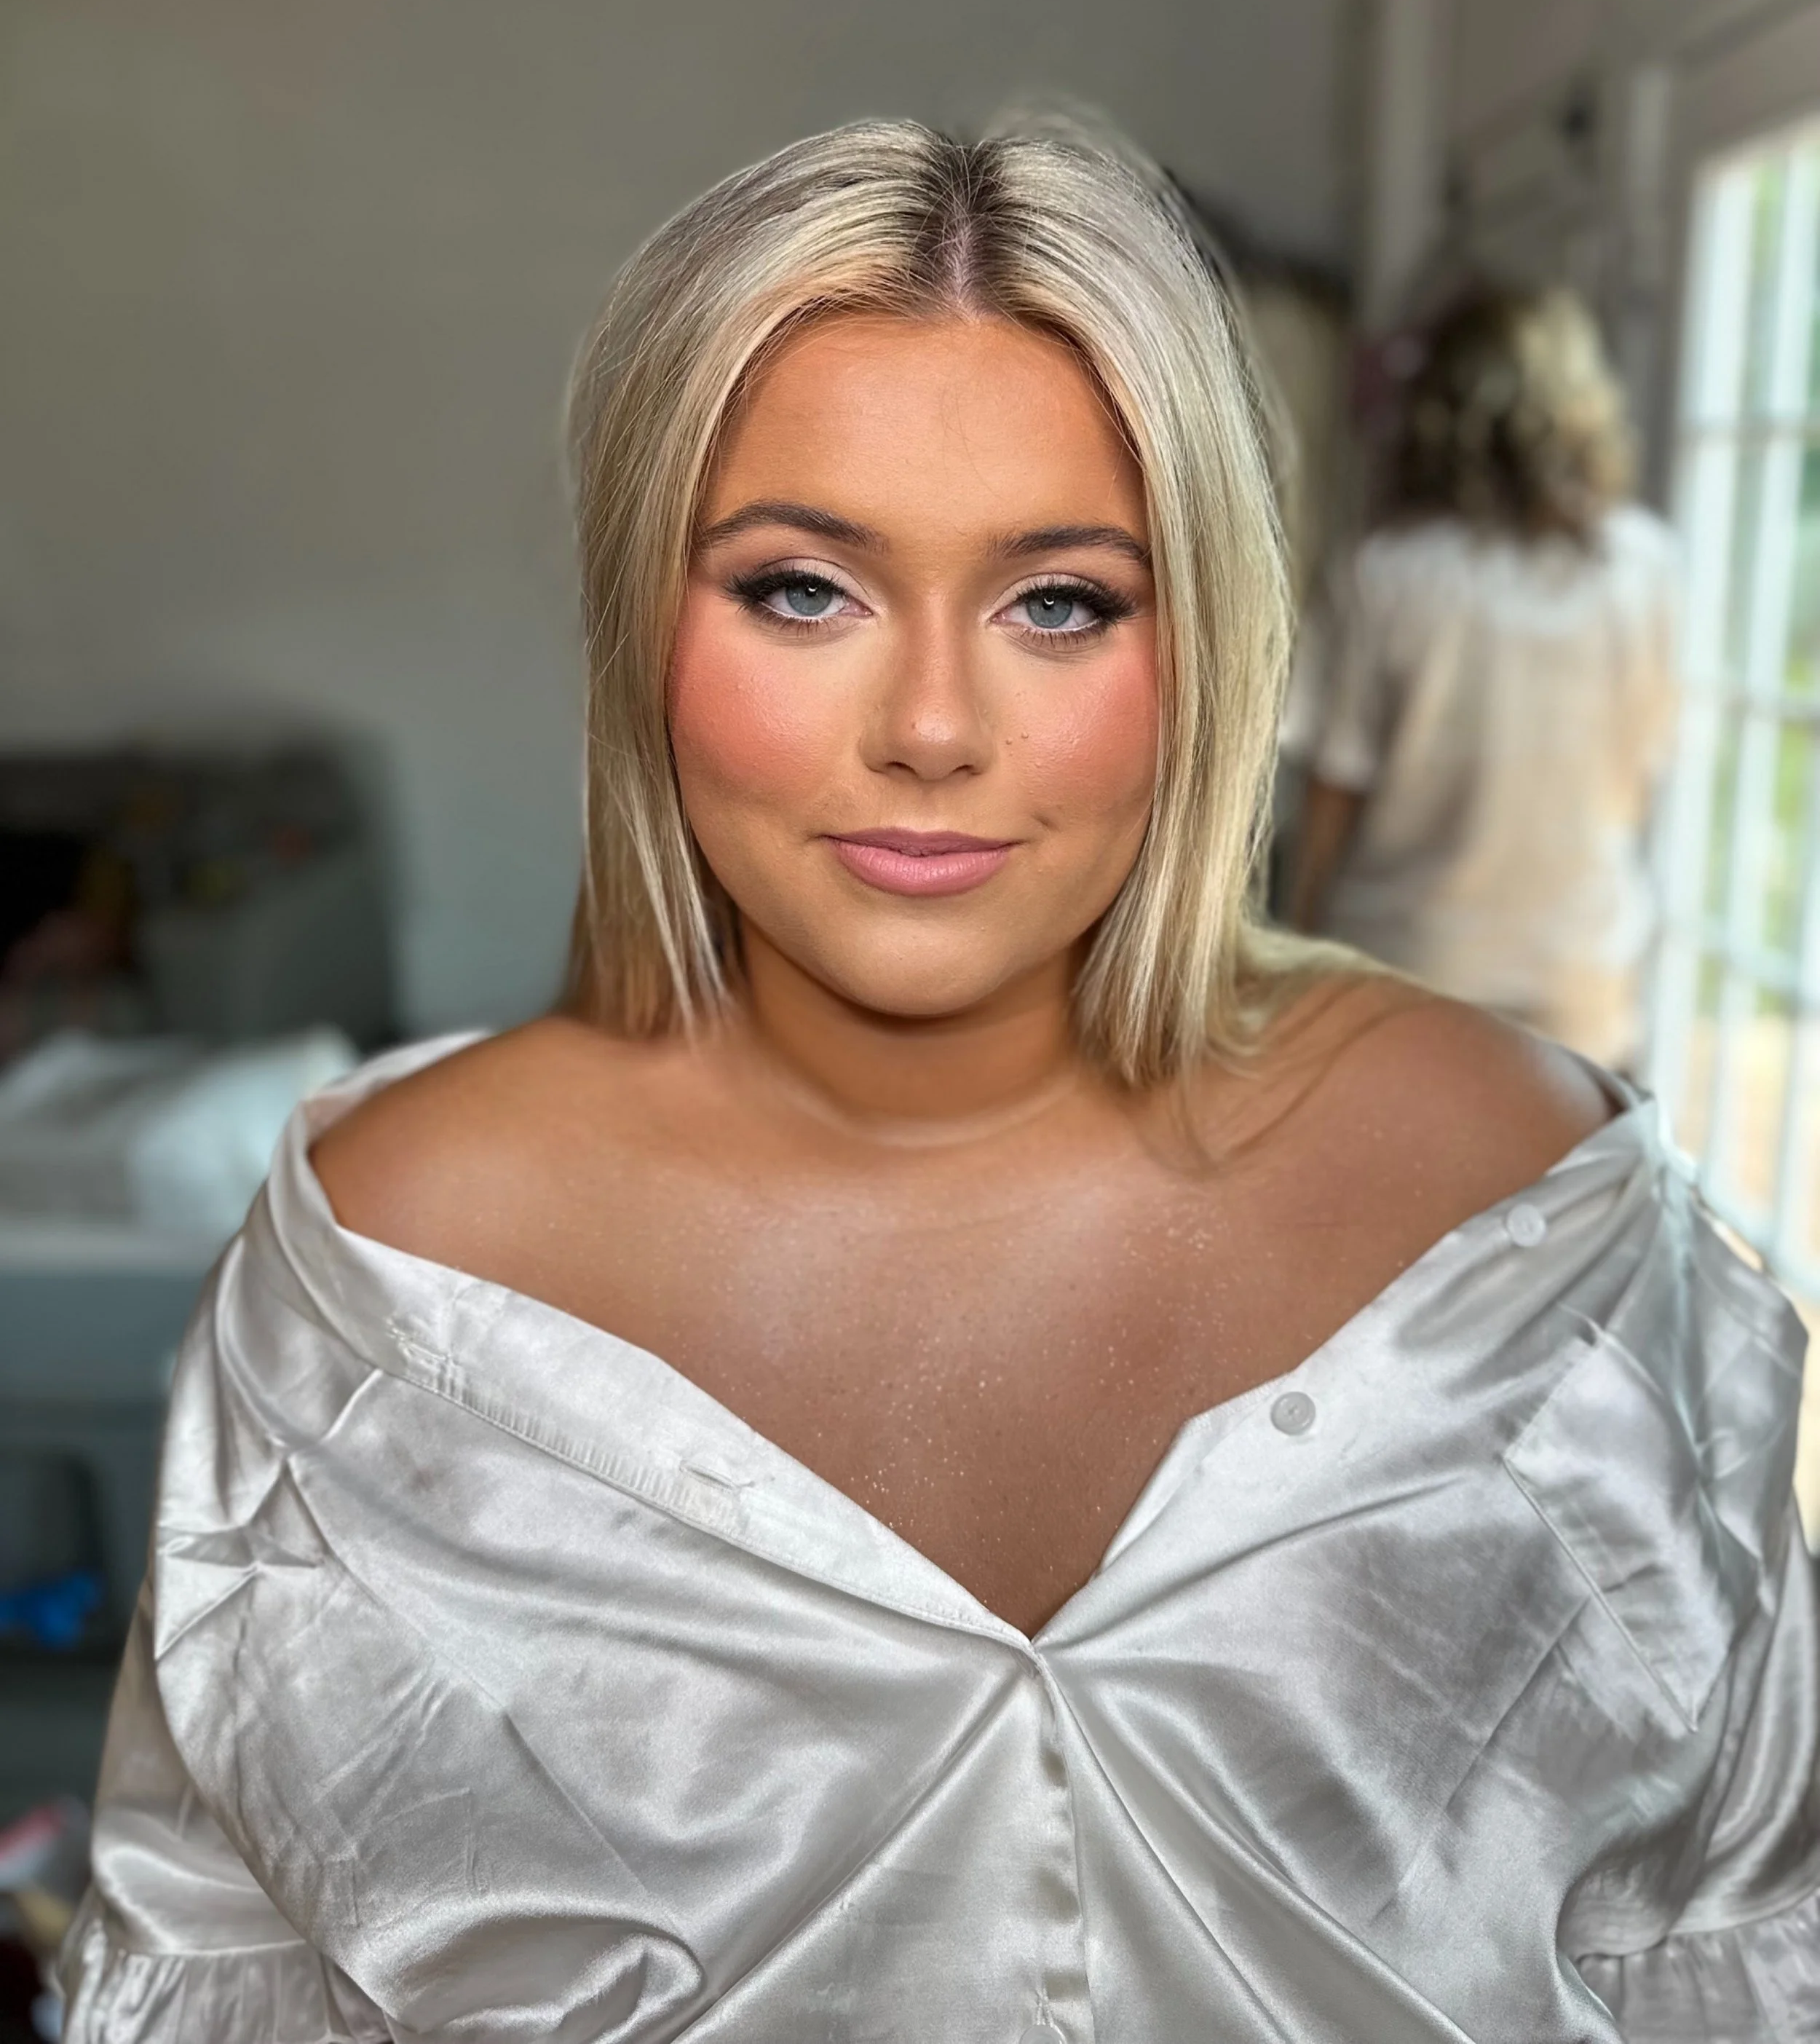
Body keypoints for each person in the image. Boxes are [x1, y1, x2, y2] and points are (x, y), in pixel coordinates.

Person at [63, 127, 1815, 2042]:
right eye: (803, 588)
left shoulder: (1523, 1211)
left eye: (1058, 601)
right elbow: (219, 1985)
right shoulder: (380, 1272)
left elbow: (1728, 1948)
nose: (926, 727)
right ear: (645, 621)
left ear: (1205, 640)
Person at [1286, 285, 1679, 1068]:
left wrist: (1290, 944)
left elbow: (1335, 787)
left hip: (1406, 963)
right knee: (1565, 1185)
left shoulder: (1384, 572)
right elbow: (1640, 774)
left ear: (1438, 406)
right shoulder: (1647, 564)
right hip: (1581, 967)